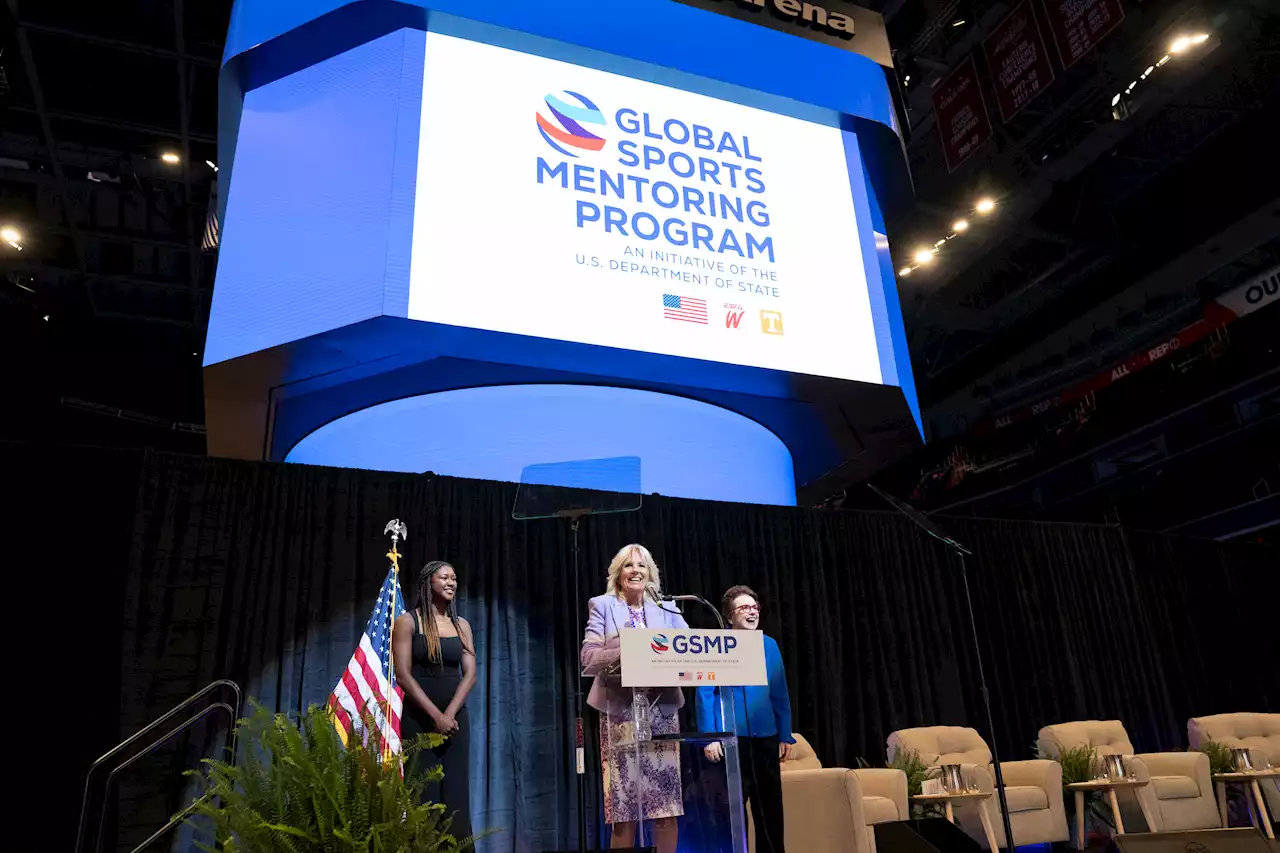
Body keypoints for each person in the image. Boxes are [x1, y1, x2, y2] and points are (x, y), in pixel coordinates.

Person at [580, 543, 689, 853]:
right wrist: (629, 647)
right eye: (628, 566)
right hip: (619, 715)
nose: (635, 571)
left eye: (641, 566)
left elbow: (689, 645)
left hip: (661, 712)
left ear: (650, 574)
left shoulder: (667, 609)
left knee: (665, 807)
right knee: (623, 810)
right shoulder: (602, 605)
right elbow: (588, 658)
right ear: (618, 574)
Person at [696, 585, 794, 853]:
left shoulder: (769, 645)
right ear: (729, 617)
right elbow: (705, 693)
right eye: (744, 608)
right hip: (730, 742)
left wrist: (785, 733)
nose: (752, 613)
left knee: (771, 812)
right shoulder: (715, 644)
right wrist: (710, 736)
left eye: (755, 608)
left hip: (765, 738)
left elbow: (779, 692)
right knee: (730, 815)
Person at [393, 560, 476, 841]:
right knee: (423, 797)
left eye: (454, 578)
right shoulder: (407, 622)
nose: (451, 582)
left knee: (455, 797)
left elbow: (470, 675)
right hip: (419, 721)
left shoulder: (461, 625)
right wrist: (435, 716)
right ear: (429, 583)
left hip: (455, 723)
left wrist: (449, 715)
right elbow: (403, 675)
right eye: (444, 577)